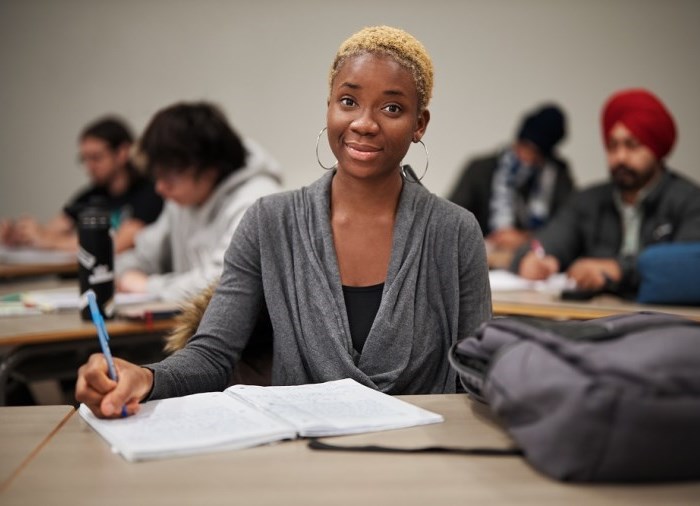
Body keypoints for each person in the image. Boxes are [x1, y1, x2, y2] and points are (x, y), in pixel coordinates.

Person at [76, 25, 492, 418]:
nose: (364, 123)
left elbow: (477, 375)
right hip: (302, 461)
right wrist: (145, 376)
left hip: (422, 464)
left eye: (392, 107)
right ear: (329, 107)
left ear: (419, 124)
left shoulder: (455, 232)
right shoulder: (268, 222)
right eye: (348, 101)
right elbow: (213, 355)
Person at [515, 88, 700, 296]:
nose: (620, 157)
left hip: (667, 323)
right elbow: (548, 239)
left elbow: (689, 270)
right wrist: (536, 257)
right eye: (612, 146)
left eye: (632, 146)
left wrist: (619, 270)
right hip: (593, 320)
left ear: (656, 150)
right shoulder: (588, 200)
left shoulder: (689, 201)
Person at [115, 101, 283, 302]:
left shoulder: (258, 201)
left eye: (167, 176)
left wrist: (148, 286)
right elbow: (144, 255)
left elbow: (224, 283)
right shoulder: (182, 201)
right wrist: (127, 273)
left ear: (208, 169)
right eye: (156, 176)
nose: (159, 188)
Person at [0, 117, 163, 253]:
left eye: (96, 158)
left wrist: (49, 240)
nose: (89, 167)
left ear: (122, 153)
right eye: (84, 159)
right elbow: (52, 229)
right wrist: (19, 235)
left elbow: (117, 244)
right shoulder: (91, 195)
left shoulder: (151, 192)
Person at [448, 104, 574, 267]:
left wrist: (525, 238)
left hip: (533, 265)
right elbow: (451, 221)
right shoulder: (481, 170)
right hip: (480, 262)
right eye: (524, 146)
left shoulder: (559, 179)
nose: (526, 157)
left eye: (535, 153)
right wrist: (489, 240)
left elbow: (567, 231)